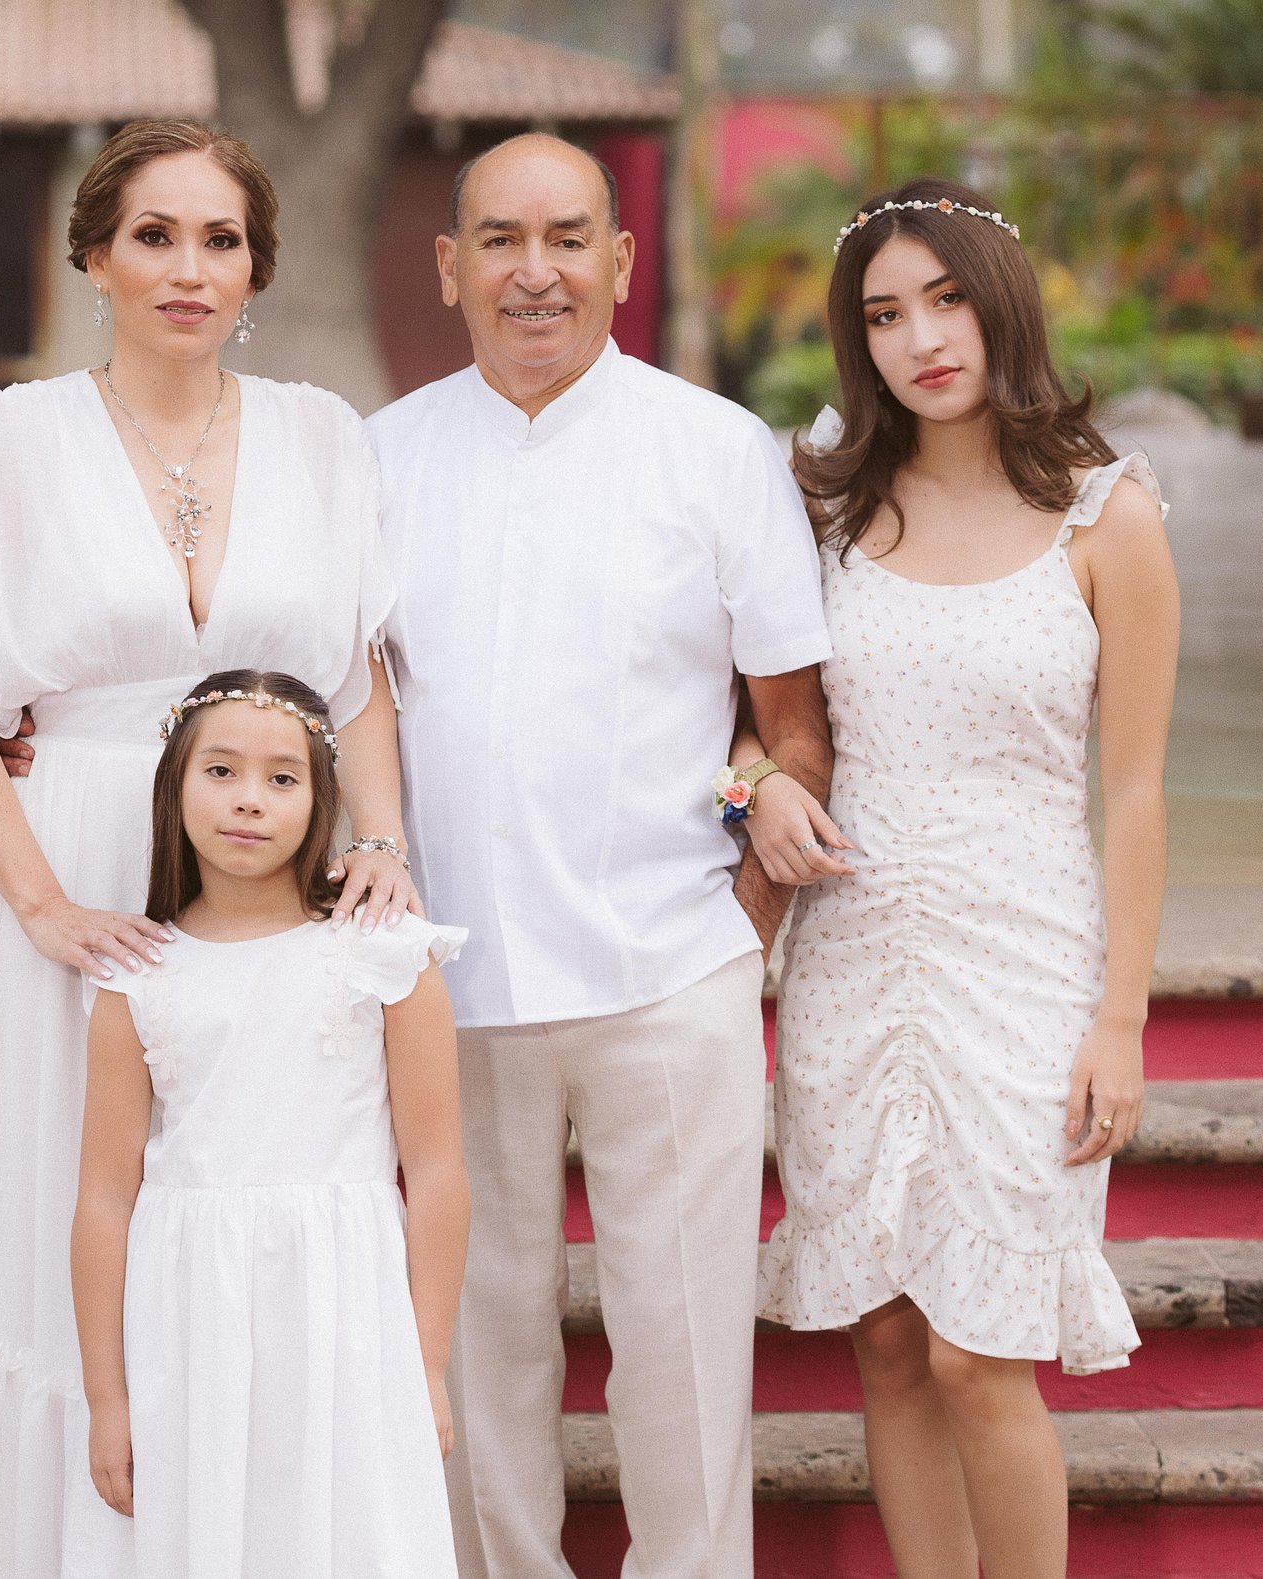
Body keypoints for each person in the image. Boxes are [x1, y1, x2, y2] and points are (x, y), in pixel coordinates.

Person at [0, 121, 417, 1575]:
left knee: (229, 1228)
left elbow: (362, 674)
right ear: (93, 256)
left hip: (262, 886)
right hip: (65, 854)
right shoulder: (11, 435)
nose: (190, 269)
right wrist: (41, 897)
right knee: (48, 1237)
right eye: (155, 236)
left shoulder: (321, 433)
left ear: (255, 265)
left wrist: (379, 842)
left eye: (220, 239)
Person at [369, 133, 835, 1579]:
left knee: (684, 1350)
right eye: (499, 239)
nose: (536, 270)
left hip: (668, 969)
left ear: (622, 263)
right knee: (472, 1345)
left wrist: (738, 929)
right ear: (449, 268)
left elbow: (793, 728)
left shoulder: (713, 448)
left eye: (570, 236)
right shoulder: (379, 458)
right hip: (448, 982)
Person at [753, 177, 1177, 1579]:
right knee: (882, 1331)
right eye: (882, 314)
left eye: (944, 299)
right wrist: (754, 789)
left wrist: (1119, 1018)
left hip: (1028, 955)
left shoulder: (1110, 517)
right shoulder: (818, 507)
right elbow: (755, 725)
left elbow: (1134, 790)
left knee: (980, 1345)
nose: (920, 337)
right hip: (851, 956)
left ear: (1001, 301)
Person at [70, 671, 470, 1578]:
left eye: (283, 778)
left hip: (345, 1314)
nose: (250, 798)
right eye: (221, 770)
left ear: (322, 798)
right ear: (174, 786)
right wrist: (107, 1398)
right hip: (190, 1320)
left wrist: (428, 1364)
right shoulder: (139, 976)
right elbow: (103, 1197)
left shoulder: (384, 953)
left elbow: (438, 1170)